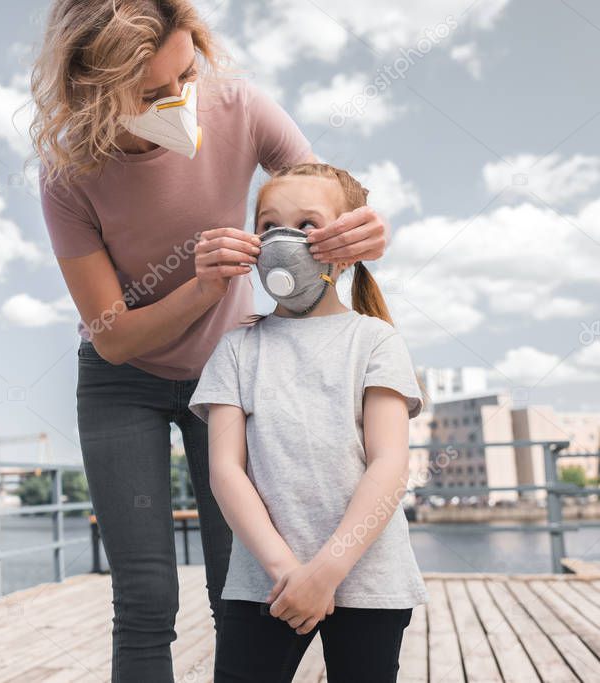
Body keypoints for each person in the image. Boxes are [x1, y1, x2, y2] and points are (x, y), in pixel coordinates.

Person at [31, 2, 391, 680]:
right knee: (143, 600)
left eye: (186, 76)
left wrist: (364, 231)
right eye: (150, 95)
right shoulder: (67, 176)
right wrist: (201, 286)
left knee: (240, 590)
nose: (179, 102)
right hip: (121, 384)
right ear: (95, 92)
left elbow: (324, 199)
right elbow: (111, 338)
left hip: (229, 375)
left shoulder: (241, 108)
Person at [187, 162, 428, 682]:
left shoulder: (375, 341)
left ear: (347, 246)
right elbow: (225, 471)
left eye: (306, 226)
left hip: (369, 580)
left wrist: (326, 572)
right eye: (269, 224)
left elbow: (389, 463)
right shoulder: (236, 349)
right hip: (263, 584)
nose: (283, 240)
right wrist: (288, 573)